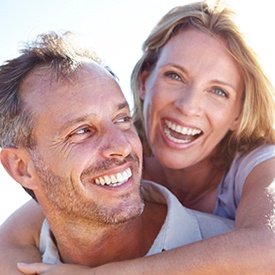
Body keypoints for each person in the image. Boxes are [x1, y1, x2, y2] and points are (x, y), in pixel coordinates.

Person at [1, 0, 275, 274]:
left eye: (219, 91)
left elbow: (269, 248)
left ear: (240, 113)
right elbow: (20, 230)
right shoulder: (125, 152)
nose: (189, 106)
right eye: (175, 76)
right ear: (145, 81)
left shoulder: (257, 165)